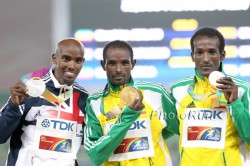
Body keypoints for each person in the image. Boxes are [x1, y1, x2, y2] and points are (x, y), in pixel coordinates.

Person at [83, 40, 179, 166]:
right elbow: (95, 154)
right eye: (112, 63)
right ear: (103, 65)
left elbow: (179, 127)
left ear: (133, 64)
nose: (118, 69)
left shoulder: (155, 93)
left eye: (124, 63)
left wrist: (154, 138)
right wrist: (127, 118)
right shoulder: (94, 103)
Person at [0, 38, 89, 166]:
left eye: (78, 60)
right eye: (66, 59)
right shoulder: (30, 89)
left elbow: (89, 143)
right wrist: (14, 107)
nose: (72, 65)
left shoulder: (83, 99)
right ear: (54, 58)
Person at [170, 27, 250, 166]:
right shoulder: (177, 90)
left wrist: (235, 103)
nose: (206, 59)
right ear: (192, 56)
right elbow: (165, 128)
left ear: (222, 55)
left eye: (212, 52)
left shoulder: (241, 89)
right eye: (199, 52)